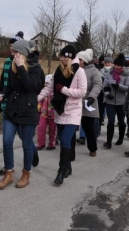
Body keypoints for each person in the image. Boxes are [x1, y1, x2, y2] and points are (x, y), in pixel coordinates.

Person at [0, 39, 44, 190]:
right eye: (13, 51)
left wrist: (22, 67)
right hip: (12, 111)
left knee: (26, 144)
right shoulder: (13, 67)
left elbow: (31, 87)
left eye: (16, 52)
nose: (13, 54)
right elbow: (9, 86)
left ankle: (26, 174)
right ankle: (8, 173)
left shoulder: (36, 69)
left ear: (23, 53)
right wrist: (2, 95)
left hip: (28, 112)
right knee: (7, 141)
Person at [38, 44, 87, 186]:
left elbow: (82, 92)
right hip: (60, 110)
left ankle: (61, 171)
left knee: (65, 140)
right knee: (66, 139)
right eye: (61, 56)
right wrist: (36, 98)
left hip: (73, 111)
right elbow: (49, 88)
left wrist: (64, 90)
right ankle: (68, 166)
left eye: (66, 56)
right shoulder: (57, 71)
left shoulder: (79, 72)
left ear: (71, 58)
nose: (63, 58)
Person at [102, 53, 129, 149]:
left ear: (122, 66)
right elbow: (105, 86)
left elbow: (127, 88)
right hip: (110, 102)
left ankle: (120, 138)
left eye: (119, 65)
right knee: (110, 121)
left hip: (121, 102)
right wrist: (107, 94)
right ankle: (109, 142)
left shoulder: (127, 75)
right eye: (115, 65)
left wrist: (119, 86)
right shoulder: (109, 74)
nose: (116, 67)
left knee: (121, 122)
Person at [77, 48, 102, 157]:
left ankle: (92, 148)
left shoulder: (94, 71)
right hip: (75, 100)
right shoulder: (76, 69)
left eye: (80, 59)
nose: (77, 61)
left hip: (88, 102)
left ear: (85, 61)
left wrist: (92, 97)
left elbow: (97, 85)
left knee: (88, 128)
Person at [37, 74, 57, 150]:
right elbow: (40, 100)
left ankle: (52, 144)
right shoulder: (44, 92)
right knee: (41, 128)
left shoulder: (55, 93)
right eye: (46, 83)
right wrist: (39, 108)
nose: (47, 85)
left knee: (52, 129)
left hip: (53, 114)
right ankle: (41, 144)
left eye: (49, 83)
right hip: (44, 113)